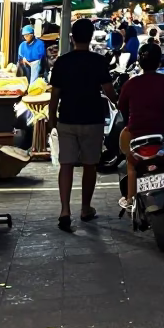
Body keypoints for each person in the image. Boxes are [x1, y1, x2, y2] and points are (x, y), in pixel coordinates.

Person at [48, 19, 116, 231]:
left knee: (66, 165)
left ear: (72, 37)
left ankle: (65, 210)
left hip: (67, 119)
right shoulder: (98, 61)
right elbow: (109, 91)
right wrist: (123, 105)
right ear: (91, 36)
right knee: (89, 165)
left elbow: (55, 95)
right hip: (92, 119)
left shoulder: (62, 62)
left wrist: (52, 120)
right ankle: (85, 208)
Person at [117, 42, 164, 207]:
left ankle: (130, 199)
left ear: (139, 63)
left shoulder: (130, 84)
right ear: (159, 62)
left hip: (137, 135)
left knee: (132, 165)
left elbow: (122, 108)